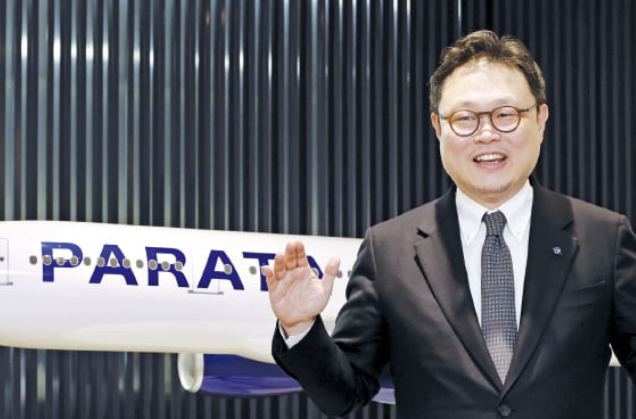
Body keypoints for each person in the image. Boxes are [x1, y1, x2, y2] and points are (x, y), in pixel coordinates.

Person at [263, 30, 636, 419]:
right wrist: (300, 326)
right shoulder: (388, 250)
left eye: (506, 115)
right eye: (465, 118)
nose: (486, 134)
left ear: (540, 120)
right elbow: (345, 393)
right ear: (438, 128)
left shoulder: (603, 238)